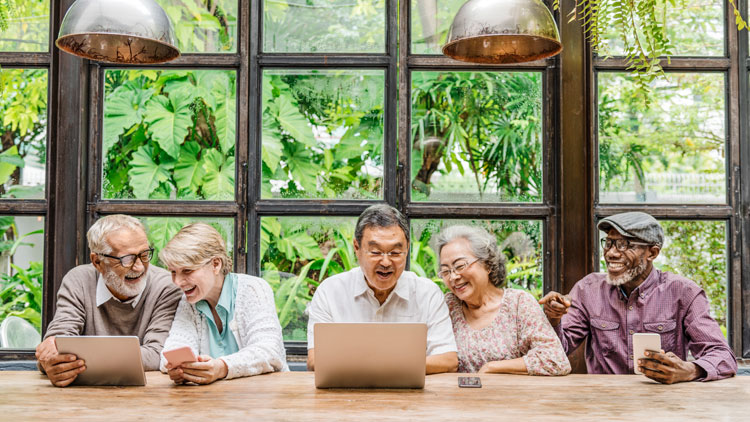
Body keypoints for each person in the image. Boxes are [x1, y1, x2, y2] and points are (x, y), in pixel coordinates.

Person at [539, 211, 737, 384]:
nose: (611, 253)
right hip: (603, 402)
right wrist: (554, 318)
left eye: (624, 245)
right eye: (608, 243)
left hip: (666, 402)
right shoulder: (588, 290)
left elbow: (723, 357)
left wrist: (689, 370)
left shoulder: (684, 293)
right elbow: (558, 351)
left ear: (652, 252)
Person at [306, 204, 458, 373]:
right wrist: (391, 366)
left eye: (394, 253)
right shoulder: (330, 291)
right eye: (376, 252)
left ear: (407, 249)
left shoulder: (427, 293)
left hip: (410, 396)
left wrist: (380, 367)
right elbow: (315, 360)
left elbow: (448, 359)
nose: (386, 262)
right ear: (357, 248)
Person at [35, 214, 181, 387]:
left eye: (144, 254)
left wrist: (75, 359)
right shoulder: (78, 280)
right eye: (127, 259)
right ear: (97, 261)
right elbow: (58, 340)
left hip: (148, 396)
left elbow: (158, 353)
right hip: (82, 399)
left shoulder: (166, 285)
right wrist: (52, 358)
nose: (140, 267)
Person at [159, 223, 287, 385]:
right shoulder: (189, 301)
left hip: (262, 399)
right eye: (173, 272)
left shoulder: (252, 289)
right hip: (210, 403)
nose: (177, 282)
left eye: (187, 271)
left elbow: (269, 351)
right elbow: (171, 352)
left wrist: (222, 367)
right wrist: (177, 369)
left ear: (216, 264)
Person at [435, 225, 570, 375]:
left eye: (460, 266)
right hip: (457, 397)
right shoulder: (448, 306)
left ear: (487, 264)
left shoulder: (518, 303)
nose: (453, 277)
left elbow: (556, 360)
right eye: (446, 271)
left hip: (511, 396)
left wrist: (492, 367)